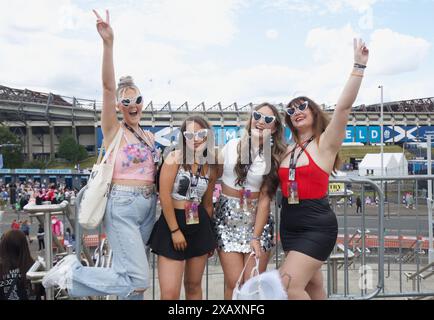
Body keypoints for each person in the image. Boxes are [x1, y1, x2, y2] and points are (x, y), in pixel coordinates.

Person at [42, 10, 158, 300]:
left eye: (138, 99)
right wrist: (108, 44)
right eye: (126, 101)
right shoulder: (113, 130)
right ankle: (73, 274)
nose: (133, 104)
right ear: (119, 106)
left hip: (147, 207)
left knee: (129, 277)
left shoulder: (147, 136)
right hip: (122, 205)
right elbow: (107, 88)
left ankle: (76, 278)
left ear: (143, 103)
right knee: (138, 279)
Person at [278, 38, 369, 299]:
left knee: (288, 286)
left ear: (314, 111)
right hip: (290, 225)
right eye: (291, 109)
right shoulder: (286, 149)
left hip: (316, 225)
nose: (296, 110)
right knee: (312, 286)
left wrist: (358, 66)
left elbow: (343, 108)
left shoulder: (325, 143)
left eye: (302, 105)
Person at [214, 103, 286, 300]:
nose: (261, 122)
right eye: (257, 116)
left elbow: (265, 200)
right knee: (233, 282)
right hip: (227, 220)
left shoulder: (275, 157)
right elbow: (210, 174)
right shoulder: (231, 146)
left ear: (275, 128)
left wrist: (255, 237)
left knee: (252, 285)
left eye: (268, 119)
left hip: (257, 222)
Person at [148, 116, 217, 300]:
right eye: (189, 134)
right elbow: (164, 196)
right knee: (170, 294)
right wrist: (175, 230)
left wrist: (210, 236)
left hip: (199, 225)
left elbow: (208, 203)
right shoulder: (174, 157)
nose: (195, 138)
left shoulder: (209, 164)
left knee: (193, 287)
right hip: (173, 223)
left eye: (200, 133)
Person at [0, 230, 44, 300]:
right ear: (25, 246)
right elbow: (43, 291)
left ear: (3, 246)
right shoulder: (35, 268)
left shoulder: (1, 269)